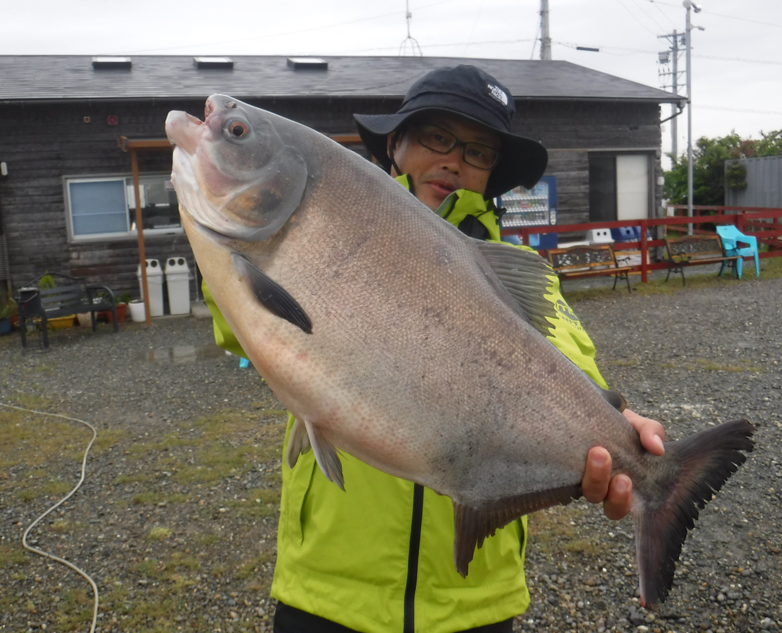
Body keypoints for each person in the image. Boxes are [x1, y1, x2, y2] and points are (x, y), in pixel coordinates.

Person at [205, 65, 665, 633]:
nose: (454, 161)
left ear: (493, 174)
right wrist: (229, 215)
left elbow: (569, 365)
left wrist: (615, 428)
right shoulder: (323, 231)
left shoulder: (519, 276)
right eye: (437, 138)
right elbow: (238, 323)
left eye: (478, 151)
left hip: (472, 599)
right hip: (329, 583)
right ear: (395, 143)